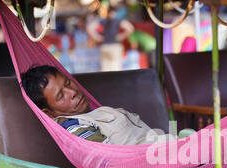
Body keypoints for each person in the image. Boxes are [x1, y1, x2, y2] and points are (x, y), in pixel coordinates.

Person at [20, 65, 175, 145]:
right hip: (157, 163)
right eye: (61, 96)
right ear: (49, 113)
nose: (72, 92)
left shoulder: (92, 114)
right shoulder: (74, 126)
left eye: (68, 83)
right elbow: (109, 158)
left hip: (168, 149)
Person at [87, 6, 134, 71]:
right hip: (115, 46)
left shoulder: (103, 20)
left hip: (105, 46)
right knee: (116, 67)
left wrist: (97, 37)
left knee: (105, 69)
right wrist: (121, 36)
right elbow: (130, 28)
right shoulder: (117, 20)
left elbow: (90, 27)